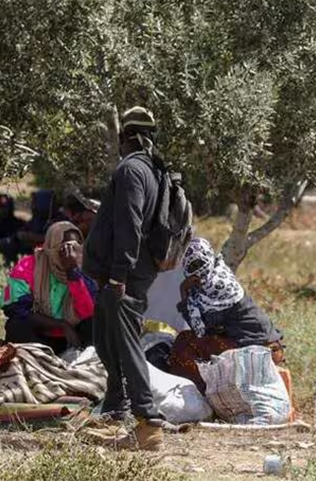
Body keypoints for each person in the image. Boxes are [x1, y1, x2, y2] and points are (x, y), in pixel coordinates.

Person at [82, 106, 169, 450]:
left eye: (121, 138)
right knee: (106, 339)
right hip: (126, 273)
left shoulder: (132, 169)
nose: (119, 144)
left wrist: (119, 274)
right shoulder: (152, 170)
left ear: (129, 137)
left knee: (127, 344)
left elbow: (129, 224)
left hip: (124, 276)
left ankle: (148, 424)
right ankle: (115, 412)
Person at [163, 237, 284, 391]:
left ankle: (200, 391)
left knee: (185, 342)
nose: (196, 272)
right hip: (262, 344)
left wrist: (183, 293)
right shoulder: (217, 273)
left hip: (259, 350)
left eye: (199, 264)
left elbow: (200, 331)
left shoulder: (216, 286)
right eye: (192, 266)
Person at [0, 221, 96, 352]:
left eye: (76, 247)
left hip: (73, 338)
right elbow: (16, 309)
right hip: (39, 337)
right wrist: (62, 325)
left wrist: (72, 273)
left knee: (94, 325)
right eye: (65, 248)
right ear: (52, 246)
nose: (71, 254)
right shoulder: (29, 266)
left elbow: (88, 313)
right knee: (16, 325)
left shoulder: (83, 270)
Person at [0, 194, 26, 266]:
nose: (3, 210)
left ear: (10, 207)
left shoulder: (19, 225)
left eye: (5, 206)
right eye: (0, 206)